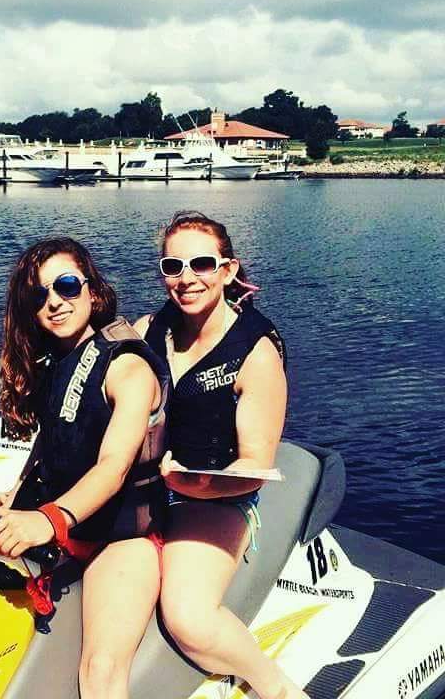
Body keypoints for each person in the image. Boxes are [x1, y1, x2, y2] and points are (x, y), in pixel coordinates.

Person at [134, 210, 307, 699]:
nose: (187, 278)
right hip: (146, 484)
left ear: (228, 271)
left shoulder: (256, 351)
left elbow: (254, 464)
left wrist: (193, 483)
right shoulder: (148, 330)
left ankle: (274, 686)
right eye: (173, 266)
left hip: (214, 496)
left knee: (188, 618)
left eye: (202, 264)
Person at [0, 237, 168, 699]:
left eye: (67, 285)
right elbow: (58, 435)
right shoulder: (57, 360)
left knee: (100, 671)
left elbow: (113, 467)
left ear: (92, 289)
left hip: (121, 539)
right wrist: (19, 493)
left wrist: (46, 519)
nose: (54, 301)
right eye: (39, 294)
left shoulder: (127, 368)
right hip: (62, 524)